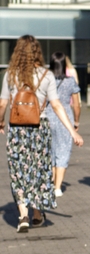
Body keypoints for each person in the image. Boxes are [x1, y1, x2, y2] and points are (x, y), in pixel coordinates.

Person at [0, 35, 83, 233]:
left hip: (17, 131)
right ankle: (37, 214)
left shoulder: (10, 75)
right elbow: (56, 105)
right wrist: (73, 131)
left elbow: (3, 103)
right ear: (37, 51)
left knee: (19, 172)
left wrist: (1, 121)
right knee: (38, 171)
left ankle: (23, 215)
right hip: (39, 129)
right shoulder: (47, 75)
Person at [45, 52, 81, 197]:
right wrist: (77, 121)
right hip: (65, 117)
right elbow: (77, 104)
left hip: (48, 116)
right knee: (63, 151)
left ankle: (51, 183)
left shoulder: (46, 80)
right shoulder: (70, 81)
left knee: (51, 152)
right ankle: (58, 187)